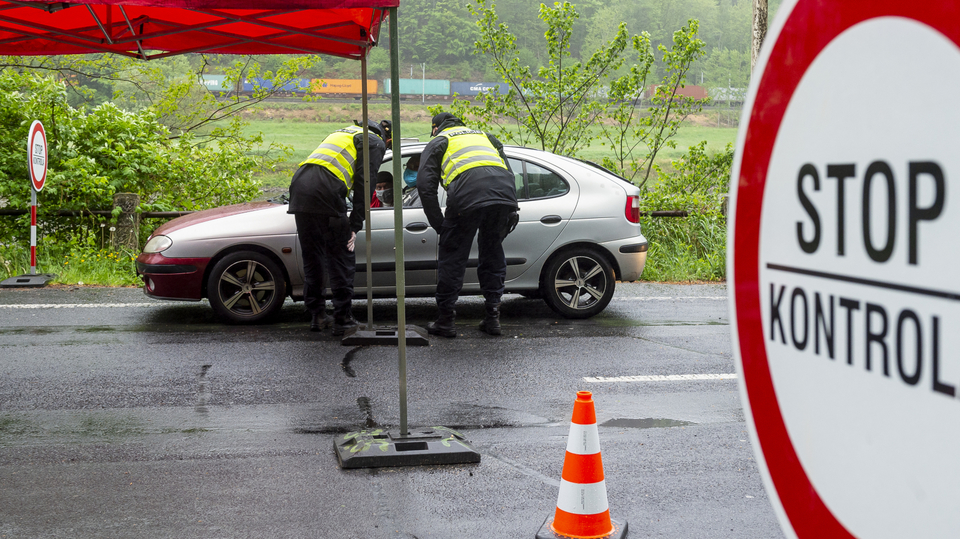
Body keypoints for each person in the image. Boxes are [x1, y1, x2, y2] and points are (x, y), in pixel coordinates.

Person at [417, 112, 519, 337]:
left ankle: (445, 321)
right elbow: (509, 173)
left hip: (467, 196)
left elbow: (425, 186)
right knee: (492, 252)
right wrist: (511, 207)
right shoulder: (486, 137)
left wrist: (440, 226)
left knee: (453, 257)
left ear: (435, 128)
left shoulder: (440, 141)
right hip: (502, 195)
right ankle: (493, 318)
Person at [288, 120, 386, 334]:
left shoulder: (342, 133)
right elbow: (365, 183)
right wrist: (355, 225)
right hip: (326, 190)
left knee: (313, 257)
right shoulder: (374, 141)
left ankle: (317, 315)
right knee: (341, 256)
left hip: (299, 187)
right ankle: (343, 319)